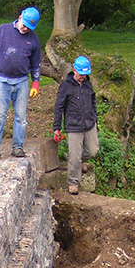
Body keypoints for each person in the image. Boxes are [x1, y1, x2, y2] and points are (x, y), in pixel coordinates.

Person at [0, 7, 42, 160]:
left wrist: (36, 83)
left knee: (21, 117)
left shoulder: (33, 40)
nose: (25, 28)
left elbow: (36, 64)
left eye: (29, 27)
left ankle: (18, 147)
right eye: (24, 24)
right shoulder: (2, 31)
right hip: (2, 80)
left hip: (22, 81)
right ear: (20, 17)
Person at [53, 55, 99, 195]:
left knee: (93, 150)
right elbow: (58, 107)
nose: (82, 77)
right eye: (81, 74)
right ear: (74, 70)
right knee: (74, 157)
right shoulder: (66, 86)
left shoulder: (88, 84)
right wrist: (57, 127)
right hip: (73, 126)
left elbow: (93, 103)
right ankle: (73, 182)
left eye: (85, 74)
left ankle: (79, 162)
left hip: (89, 123)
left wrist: (95, 119)